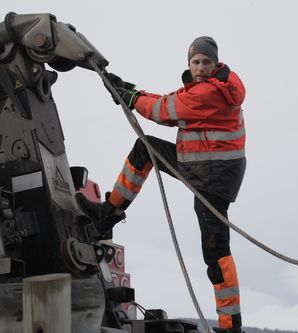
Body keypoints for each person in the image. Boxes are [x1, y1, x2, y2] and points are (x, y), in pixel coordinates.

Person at [76, 36, 246, 333]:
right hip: (200, 166)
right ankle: (107, 214)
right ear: (189, 64)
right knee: (145, 150)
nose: (201, 67)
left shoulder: (211, 92)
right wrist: (132, 92)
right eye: (196, 62)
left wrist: (130, 97)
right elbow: (170, 104)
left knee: (216, 251)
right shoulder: (212, 86)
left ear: (215, 63)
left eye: (206, 62)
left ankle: (231, 325)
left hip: (211, 177)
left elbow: (164, 110)